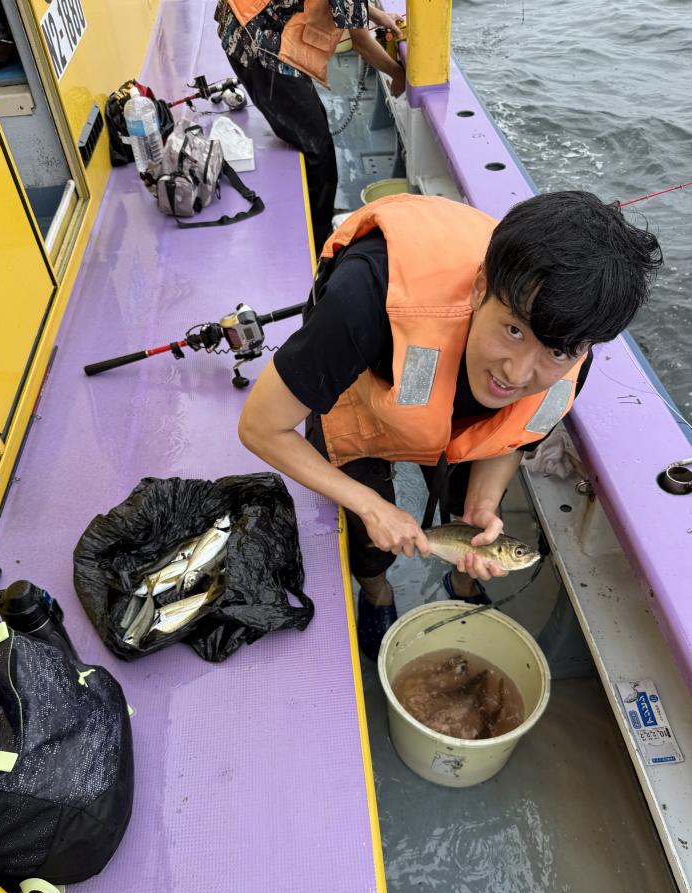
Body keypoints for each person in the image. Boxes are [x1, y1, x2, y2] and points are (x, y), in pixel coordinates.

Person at [238, 191, 663, 658]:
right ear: (481, 287)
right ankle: (376, 591)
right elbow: (260, 426)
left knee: (474, 513)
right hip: (363, 391)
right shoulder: (362, 298)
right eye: (514, 330)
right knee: (367, 526)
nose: (517, 374)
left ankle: (461, 578)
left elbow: (514, 437)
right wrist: (370, 506)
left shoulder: (573, 354)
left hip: (453, 422)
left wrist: (483, 502)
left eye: (557, 351)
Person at [214, 0, 405, 249]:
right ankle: (317, 240)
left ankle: (318, 219)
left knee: (314, 131)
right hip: (257, 45)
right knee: (319, 150)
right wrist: (397, 74)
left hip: (251, 25)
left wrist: (376, 14)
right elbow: (360, 41)